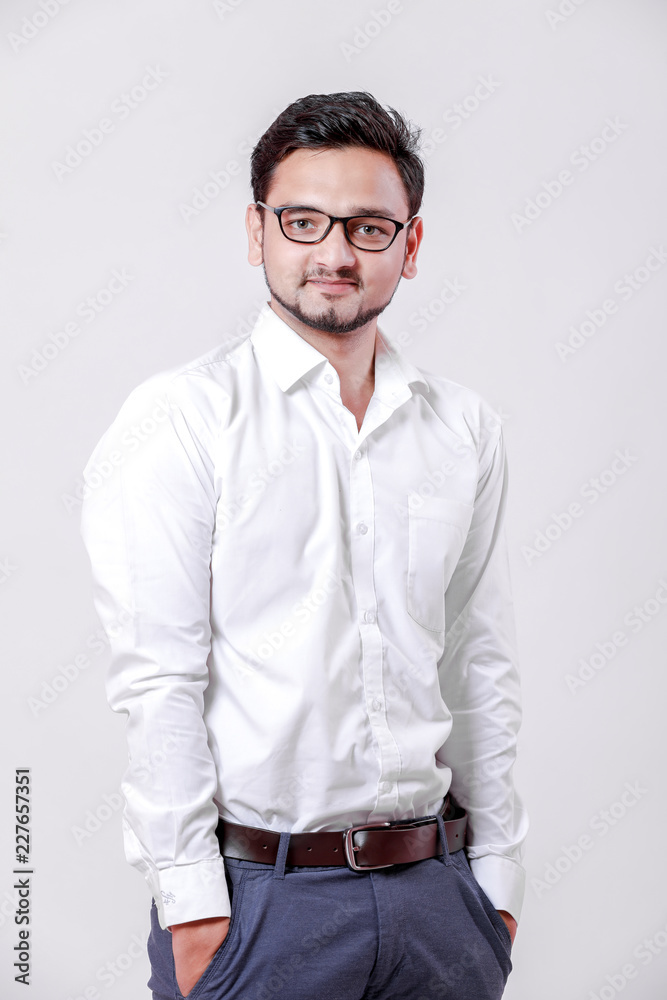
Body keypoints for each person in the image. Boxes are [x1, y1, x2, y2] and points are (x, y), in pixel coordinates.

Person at [81, 90, 528, 1000]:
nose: (331, 252)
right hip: (261, 907)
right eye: (302, 220)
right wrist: (195, 910)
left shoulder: (462, 430)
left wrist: (499, 883)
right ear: (257, 232)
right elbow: (157, 678)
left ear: (409, 245)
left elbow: (478, 664)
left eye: (367, 226)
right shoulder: (181, 421)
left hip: (440, 901)